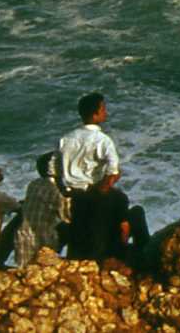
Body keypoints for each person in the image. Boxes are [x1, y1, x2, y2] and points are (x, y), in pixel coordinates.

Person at [56, 93, 120, 262]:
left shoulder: (66, 139)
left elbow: (55, 169)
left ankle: (75, 262)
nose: (105, 112)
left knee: (78, 232)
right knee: (97, 232)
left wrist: (64, 189)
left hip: (72, 194)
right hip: (92, 191)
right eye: (103, 108)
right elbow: (113, 170)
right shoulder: (102, 140)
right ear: (95, 114)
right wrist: (102, 190)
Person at [14, 152, 67, 264]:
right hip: (43, 241)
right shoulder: (54, 190)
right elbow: (67, 215)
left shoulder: (33, 184)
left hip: (23, 240)